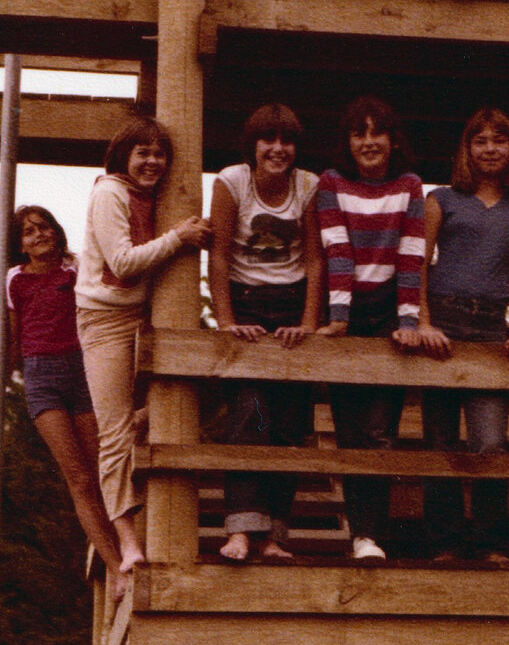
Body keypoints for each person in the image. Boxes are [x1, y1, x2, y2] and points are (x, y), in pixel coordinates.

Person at [75, 117, 210, 566]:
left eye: (159, 154)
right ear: (123, 156)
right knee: (112, 435)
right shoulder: (110, 192)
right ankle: (128, 541)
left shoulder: (152, 195)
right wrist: (179, 237)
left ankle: (137, 424)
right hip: (105, 319)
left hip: (142, 315)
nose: (153, 161)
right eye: (143, 153)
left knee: (192, 386)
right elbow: (123, 261)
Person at [416, 108, 509, 562]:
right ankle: (445, 544)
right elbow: (419, 262)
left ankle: (493, 544)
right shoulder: (443, 199)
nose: (490, 149)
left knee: (490, 440)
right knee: (440, 439)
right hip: (443, 323)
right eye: (480, 140)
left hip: (490, 323)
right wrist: (422, 321)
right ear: (467, 150)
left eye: (499, 141)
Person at [208, 104, 324, 564]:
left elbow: (314, 259)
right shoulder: (231, 181)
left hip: (292, 303)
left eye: (287, 141)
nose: (278, 149)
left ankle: (275, 533)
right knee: (249, 413)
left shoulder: (309, 185)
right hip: (246, 300)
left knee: (289, 424)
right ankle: (240, 529)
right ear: (253, 145)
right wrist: (226, 320)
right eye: (268, 140)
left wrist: (309, 321)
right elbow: (217, 256)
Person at [317, 97, 425, 561]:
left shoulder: (410, 185)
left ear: (392, 139)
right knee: (350, 429)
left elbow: (411, 255)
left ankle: (372, 536)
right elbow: (337, 253)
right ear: (348, 142)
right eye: (358, 134)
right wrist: (339, 319)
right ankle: (358, 534)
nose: (368, 142)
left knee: (382, 430)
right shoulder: (331, 184)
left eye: (376, 132)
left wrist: (406, 321)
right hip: (347, 308)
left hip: (388, 311)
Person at [7, 206, 134, 600]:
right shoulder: (13, 279)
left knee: (101, 467)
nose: (38, 235)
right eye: (28, 232)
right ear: (19, 243)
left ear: (56, 231)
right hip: (42, 377)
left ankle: (125, 545)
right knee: (77, 478)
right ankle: (117, 569)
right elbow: (14, 337)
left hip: (82, 369)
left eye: (43, 227)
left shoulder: (75, 269)